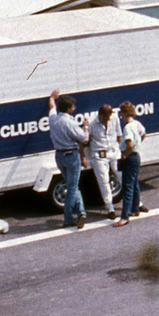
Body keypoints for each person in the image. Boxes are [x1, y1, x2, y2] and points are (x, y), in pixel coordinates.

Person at [46, 90, 90, 229]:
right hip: (71, 156)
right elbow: (84, 138)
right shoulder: (69, 123)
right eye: (73, 107)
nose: (74, 109)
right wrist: (86, 127)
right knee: (72, 188)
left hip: (59, 156)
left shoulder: (53, 119)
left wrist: (52, 97)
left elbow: (52, 106)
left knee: (72, 185)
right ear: (69, 109)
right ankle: (68, 218)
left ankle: (81, 212)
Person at [114, 101, 148, 225]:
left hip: (130, 157)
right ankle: (135, 208)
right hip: (136, 156)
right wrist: (138, 145)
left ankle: (125, 216)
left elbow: (129, 144)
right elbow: (143, 134)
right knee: (134, 183)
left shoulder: (127, 127)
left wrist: (125, 154)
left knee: (127, 186)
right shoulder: (137, 124)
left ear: (123, 113)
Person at [87, 103, 120, 218]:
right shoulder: (91, 123)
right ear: (99, 115)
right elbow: (85, 140)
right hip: (99, 155)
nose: (107, 120)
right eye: (105, 118)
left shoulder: (114, 118)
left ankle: (136, 203)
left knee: (123, 176)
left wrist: (118, 149)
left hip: (113, 151)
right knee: (104, 181)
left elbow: (119, 135)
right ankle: (110, 208)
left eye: (108, 118)